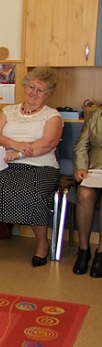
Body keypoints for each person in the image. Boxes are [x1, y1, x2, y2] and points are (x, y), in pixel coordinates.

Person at [0, 67, 63, 267]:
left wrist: (19, 154)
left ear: (47, 93)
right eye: (31, 87)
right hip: (4, 163)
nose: (34, 92)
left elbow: (48, 143)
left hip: (40, 166)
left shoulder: (52, 115)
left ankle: (42, 244)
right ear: (25, 87)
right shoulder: (8, 111)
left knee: (32, 192)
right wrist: (16, 144)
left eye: (40, 90)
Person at [72, 107, 102, 278]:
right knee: (84, 195)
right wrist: (81, 167)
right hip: (94, 170)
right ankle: (84, 249)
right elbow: (81, 145)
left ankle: (101, 252)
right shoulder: (95, 115)